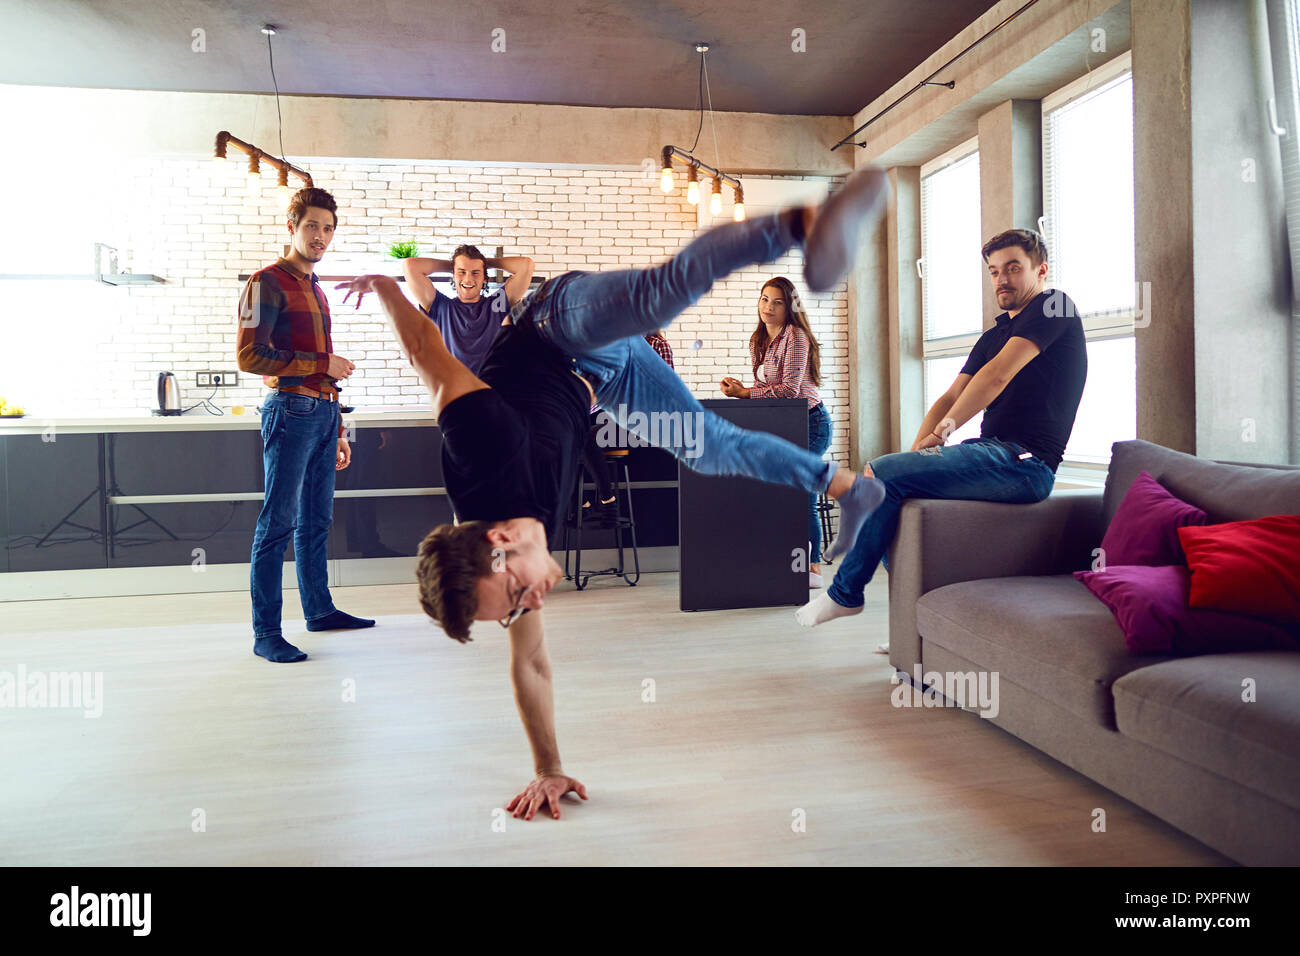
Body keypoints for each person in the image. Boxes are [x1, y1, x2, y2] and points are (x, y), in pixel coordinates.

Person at [335, 164, 893, 820]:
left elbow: (427, 351)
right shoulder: (504, 568)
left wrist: (383, 286)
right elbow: (532, 666)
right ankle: (848, 486)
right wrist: (548, 769)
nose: (528, 604)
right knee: (710, 447)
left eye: (516, 596)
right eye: (514, 610)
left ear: (500, 540)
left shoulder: (480, 452)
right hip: (613, 379)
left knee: (662, 293)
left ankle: (800, 224)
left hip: (558, 325)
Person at [796, 228, 1087, 630]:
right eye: (994, 271)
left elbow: (999, 376)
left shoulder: (1055, 307)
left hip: (1026, 463)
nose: (1001, 279)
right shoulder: (994, 336)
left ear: (1041, 270)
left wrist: (944, 432)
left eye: (1013, 268)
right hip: (990, 452)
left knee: (882, 474)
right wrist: (916, 451)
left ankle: (844, 595)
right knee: (882, 483)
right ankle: (909, 627)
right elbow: (949, 398)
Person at [235, 186, 376, 664]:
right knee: (278, 523)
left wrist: (337, 427)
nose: (320, 236)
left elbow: (324, 371)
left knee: (316, 521)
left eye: (328, 229)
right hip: (290, 411)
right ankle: (266, 633)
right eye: (312, 226)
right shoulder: (265, 282)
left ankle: (319, 610)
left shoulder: (314, 287)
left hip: (320, 413)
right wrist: (322, 362)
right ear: (292, 226)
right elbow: (249, 355)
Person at [720, 277, 832, 588]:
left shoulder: (796, 337)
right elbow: (765, 388)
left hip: (811, 424)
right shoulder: (759, 339)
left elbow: (791, 391)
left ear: (790, 307)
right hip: (784, 425)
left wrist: (745, 396)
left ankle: (812, 569)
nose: (768, 307)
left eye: (777, 302)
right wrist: (742, 389)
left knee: (801, 492)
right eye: (764, 299)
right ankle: (781, 559)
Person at [581, 330, 674, 515]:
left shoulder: (656, 345)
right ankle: (596, 502)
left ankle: (598, 501)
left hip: (636, 419)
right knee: (570, 438)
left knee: (576, 438)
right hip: (606, 415)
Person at [402, 245, 534, 374]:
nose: (468, 279)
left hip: (495, 390)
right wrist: (455, 265)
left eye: (476, 273)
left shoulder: (498, 303)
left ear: (484, 278)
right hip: (455, 391)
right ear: (453, 275)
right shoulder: (441, 306)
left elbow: (526, 265)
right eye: (462, 272)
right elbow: (410, 266)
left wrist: (484, 263)